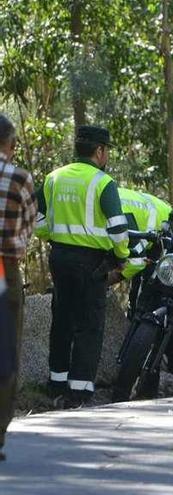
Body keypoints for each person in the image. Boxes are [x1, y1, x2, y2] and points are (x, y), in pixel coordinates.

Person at [34, 125, 130, 407]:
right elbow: (118, 228)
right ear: (99, 151)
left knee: (62, 319)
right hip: (91, 263)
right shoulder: (103, 182)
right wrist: (122, 255)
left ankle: (56, 384)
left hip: (60, 258)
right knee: (89, 325)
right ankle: (79, 391)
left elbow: (36, 218)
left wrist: (52, 236)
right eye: (106, 150)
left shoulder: (53, 178)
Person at [0, 114, 37, 461]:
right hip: (5, 268)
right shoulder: (20, 178)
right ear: (10, 145)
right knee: (6, 352)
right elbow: (29, 225)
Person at [113, 187, 173, 316]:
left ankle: (143, 321)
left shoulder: (118, 217)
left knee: (150, 282)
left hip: (166, 223)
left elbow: (137, 260)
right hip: (151, 219)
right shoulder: (105, 199)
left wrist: (109, 280)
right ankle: (136, 315)